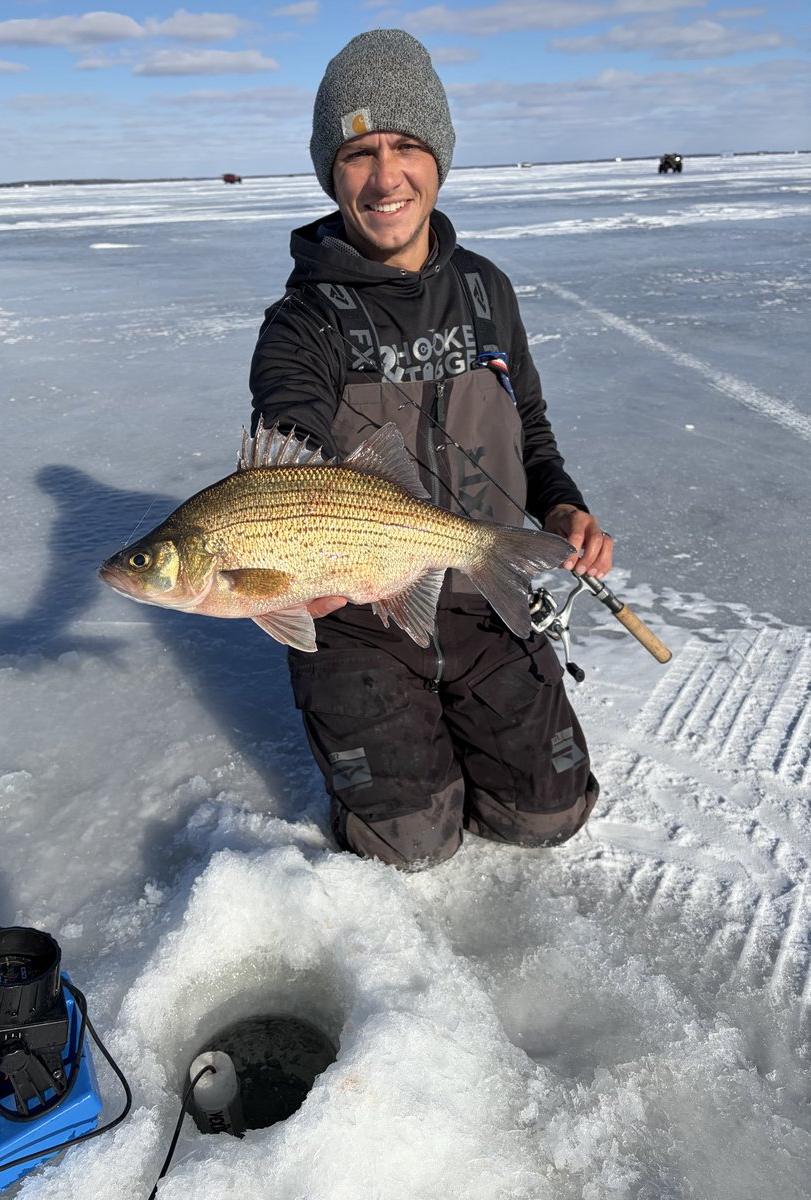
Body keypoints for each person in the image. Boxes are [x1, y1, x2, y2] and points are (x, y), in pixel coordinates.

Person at [249, 28, 612, 867]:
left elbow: (531, 425)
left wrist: (561, 504)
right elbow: (289, 433)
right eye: (358, 153)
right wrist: (285, 557)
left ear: (438, 155)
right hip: (367, 619)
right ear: (330, 172)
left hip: (483, 597)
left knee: (546, 817)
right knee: (408, 845)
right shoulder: (301, 324)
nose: (385, 177)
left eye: (406, 145)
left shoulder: (487, 289)